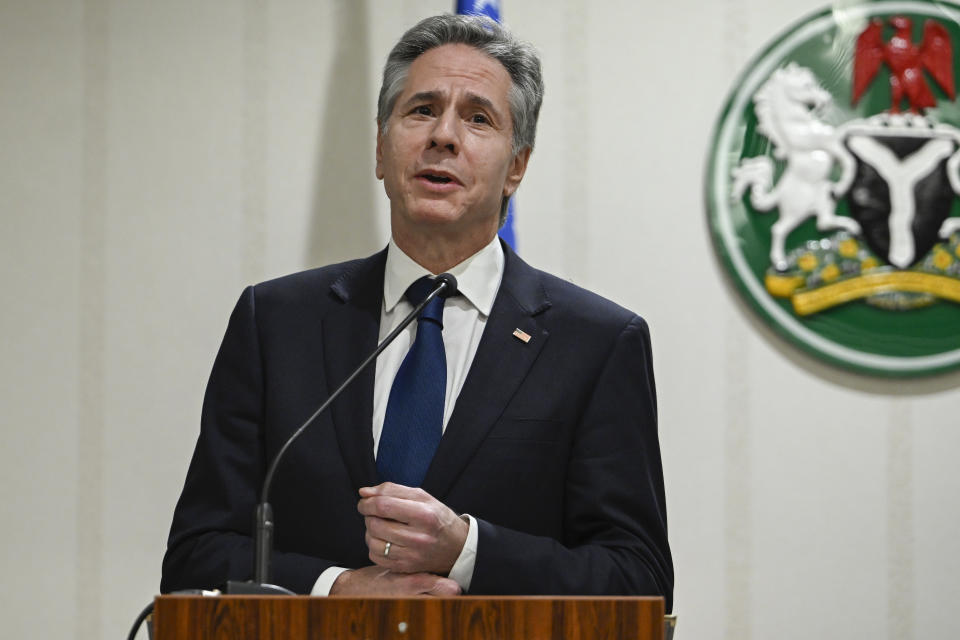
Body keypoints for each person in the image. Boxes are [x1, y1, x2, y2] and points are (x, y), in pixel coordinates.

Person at [161, 14, 673, 608]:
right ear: (381, 148)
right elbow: (196, 553)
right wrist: (336, 589)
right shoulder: (274, 322)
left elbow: (638, 579)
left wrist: (467, 549)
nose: (444, 136)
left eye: (478, 118)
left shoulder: (597, 343)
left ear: (517, 166)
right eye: (421, 110)